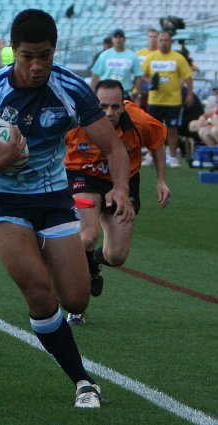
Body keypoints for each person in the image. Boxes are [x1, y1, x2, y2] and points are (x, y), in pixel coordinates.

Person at [0, 9, 134, 409]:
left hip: (52, 198)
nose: (37, 66)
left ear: (55, 50)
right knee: (38, 292)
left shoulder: (71, 89)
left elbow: (114, 147)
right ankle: (84, 381)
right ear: (13, 51)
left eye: (45, 56)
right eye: (28, 56)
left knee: (76, 301)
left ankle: (55, 261)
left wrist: (120, 188)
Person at [64, 79, 171, 325]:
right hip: (84, 177)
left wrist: (161, 180)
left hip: (123, 181)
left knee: (116, 256)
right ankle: (77, 305)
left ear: (124, 104)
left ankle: (93, 262)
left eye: (114, 107)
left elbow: (157, 141)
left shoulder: (139, 119)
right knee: (87, 236)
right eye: (102, 107)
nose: (109, 113)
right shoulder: (75, 117)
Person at [142, 31, 194, 168]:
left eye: (166, 40)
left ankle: (172, 156)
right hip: (155, 100)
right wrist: (151, 82)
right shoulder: (151, 57)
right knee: (153, 129)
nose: (163, 42)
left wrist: (189, 94)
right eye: (161, 40)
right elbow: (143, 74)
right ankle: (150, 154)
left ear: (170, 42)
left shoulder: (178, 58)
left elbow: (188, 76)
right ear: (157, 41)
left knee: (172, 129)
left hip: (173, 101)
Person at [91, 29, 143, 103]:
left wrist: (138, 95)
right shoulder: (104, 55)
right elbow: (95, 74)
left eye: (120, 37)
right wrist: (93, 94)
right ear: (112, 39)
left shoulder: (132, 56)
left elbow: (138, 76)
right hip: (106, 93)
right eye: (116, 37)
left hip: (125, 94)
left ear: (124, 39)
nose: (118, 39)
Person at [135, 28, 159, 111]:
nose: (153, 39)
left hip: (155, 92)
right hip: (138, 91)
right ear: (147, 38)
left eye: (155, 37)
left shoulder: (161, 54)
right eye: (150, 36)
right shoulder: (139, 53)